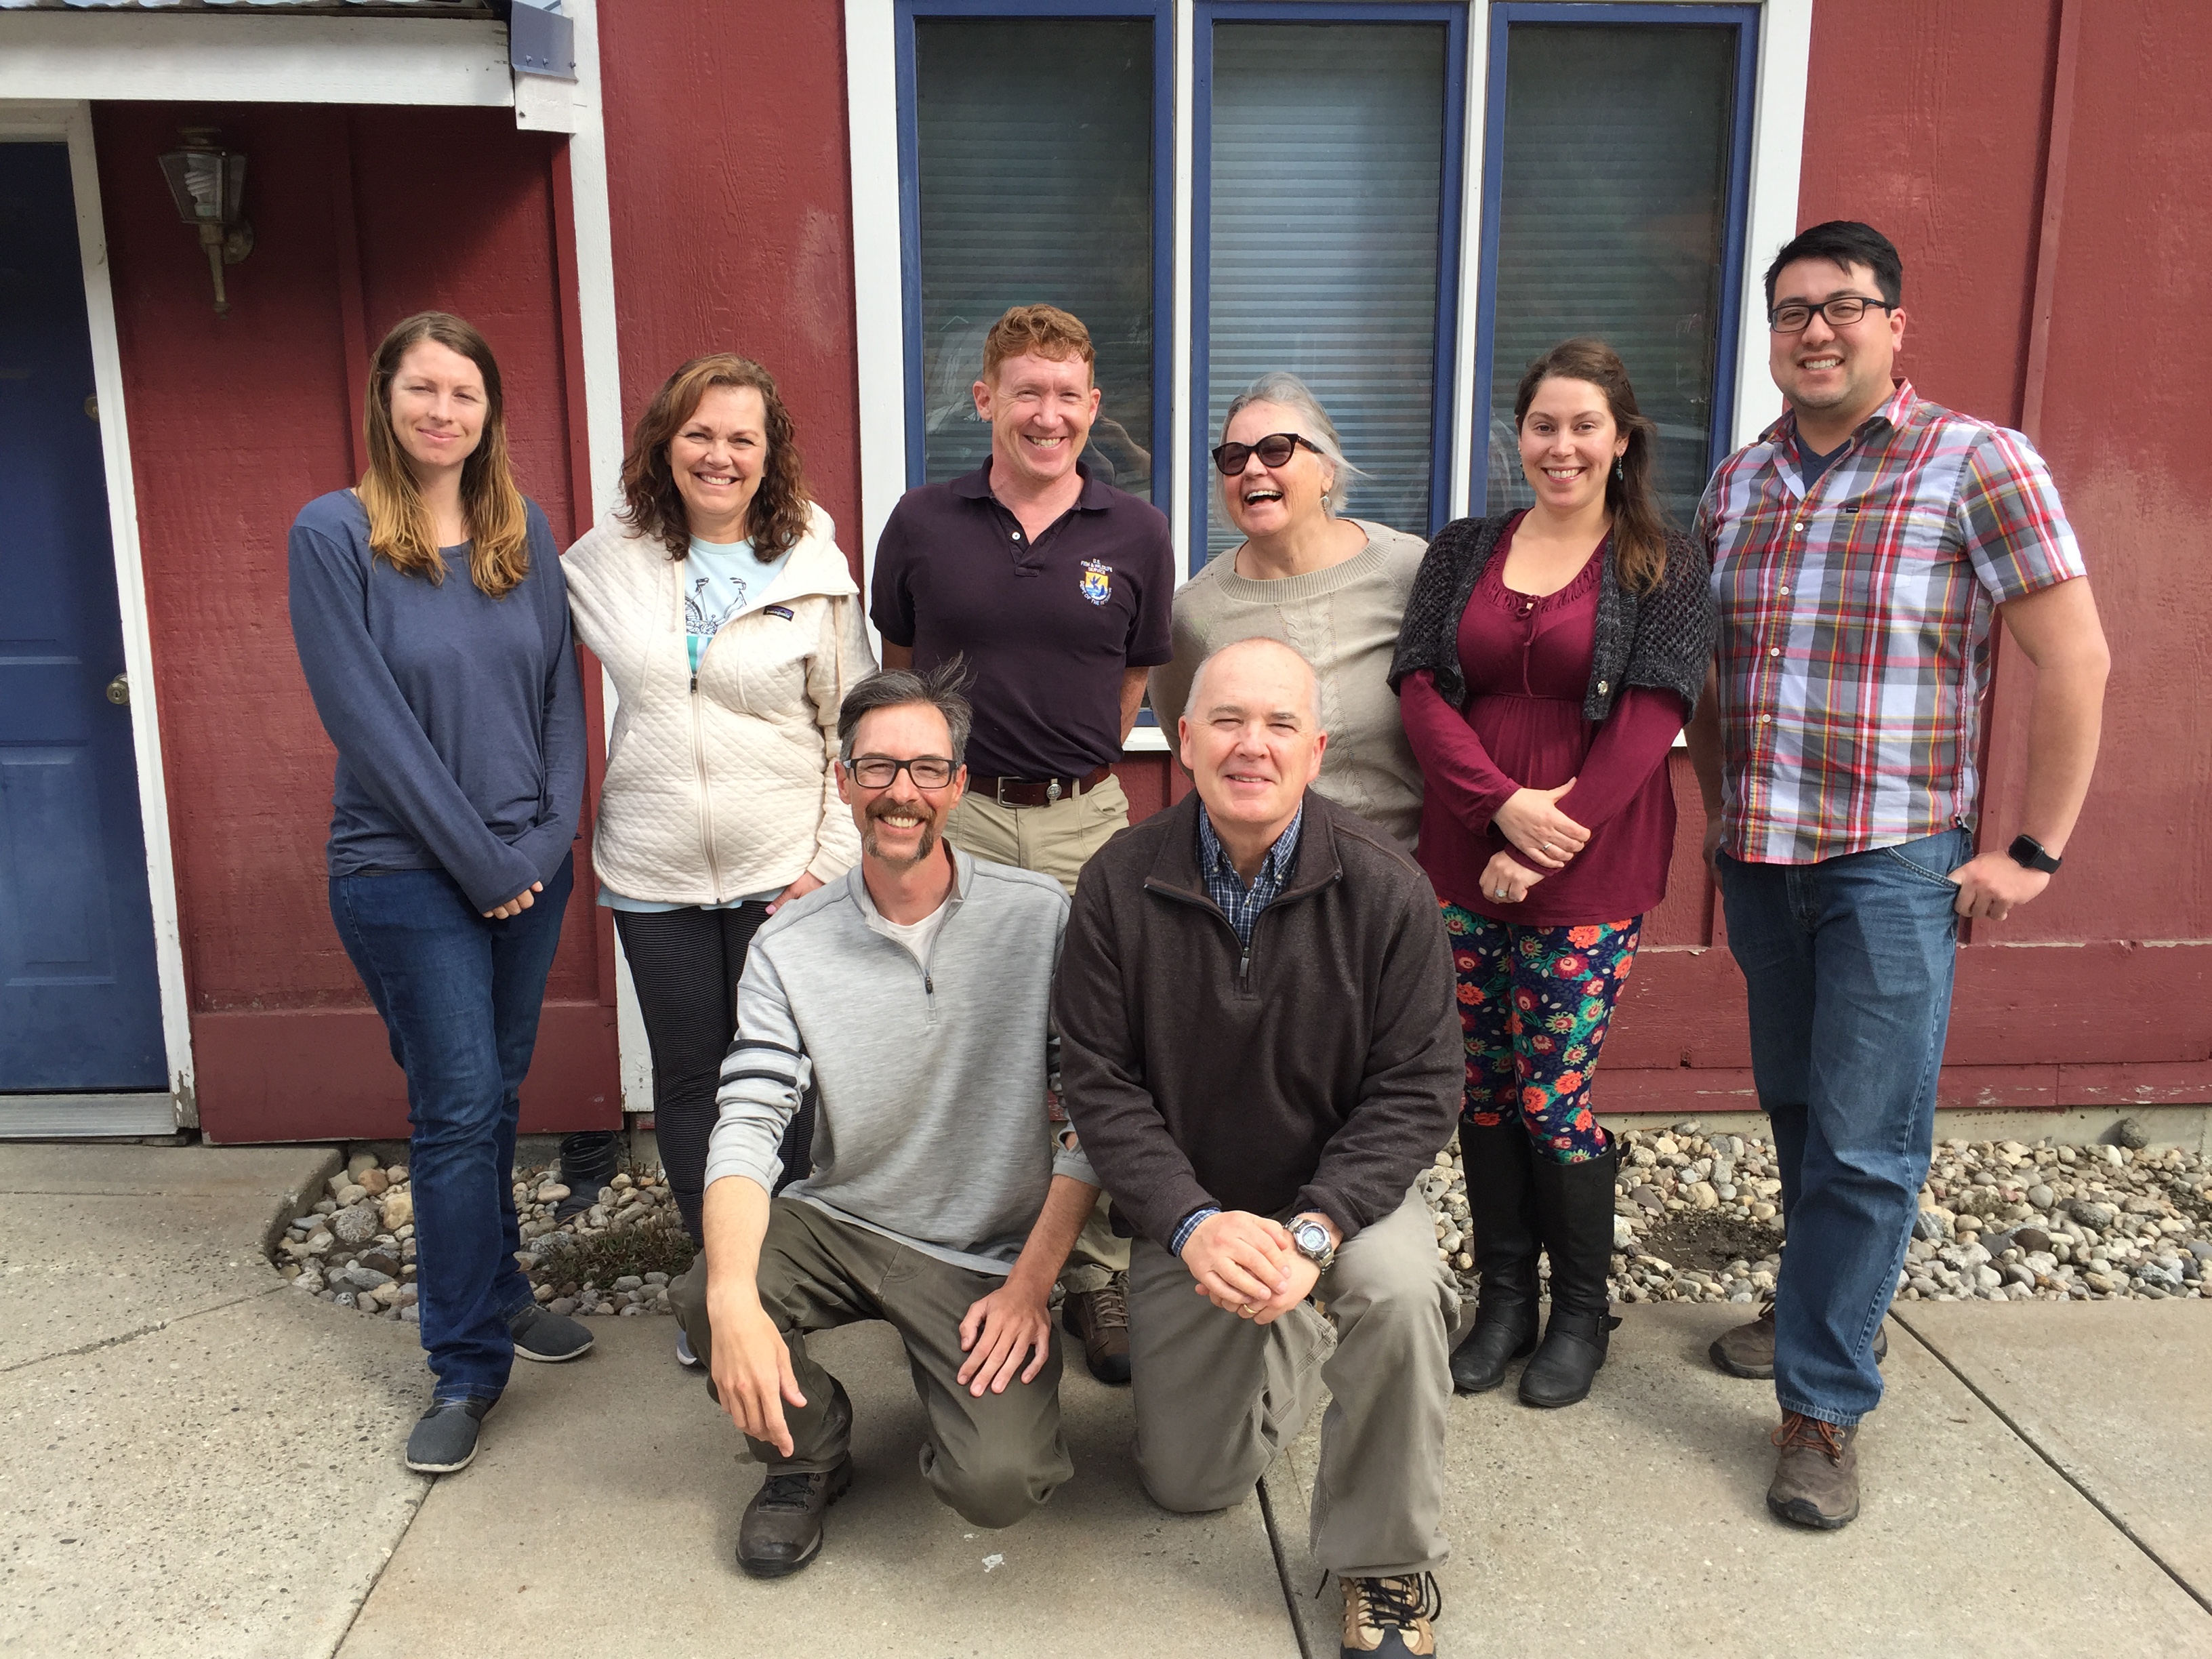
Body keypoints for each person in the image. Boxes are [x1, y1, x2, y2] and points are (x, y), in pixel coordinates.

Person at [1686, 221, 2108, 1529]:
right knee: (1797, 1110)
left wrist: (2031, 849)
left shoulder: (1974, 463)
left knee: (1867, 1139)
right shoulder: (1737, 483)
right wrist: (1715, 808)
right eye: (1790, 311)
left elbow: (2073, 657)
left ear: (1892, 323)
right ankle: (1818, 1301)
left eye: (1842, 306)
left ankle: (1821, 1401)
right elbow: (1711, 672)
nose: (1813, 331)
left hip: (1890, 860)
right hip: (1762, 856)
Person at [1054, 636, 1461, 1659]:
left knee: (1400, 1295)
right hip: (1196, 1210)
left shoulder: (1387, 888)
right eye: (1228, 721)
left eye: (1281, 724)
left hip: (1343, 1201)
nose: (1253, 745)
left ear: (1316, 751)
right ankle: (1291, 1337)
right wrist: (1189, 1223)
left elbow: (1420, 1089)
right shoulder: (1118, 883)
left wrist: (1317, 1232)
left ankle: (1383, 1561)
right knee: (1189, 1485)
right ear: (1184, 739)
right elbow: (1100, 1083)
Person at [674, 664, 1100, 1578]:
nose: (901, 792)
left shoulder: (1040, 919)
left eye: (926, 769)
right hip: (845, 1218)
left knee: (999, 1483)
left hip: (984, 1252)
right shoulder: (788, 945)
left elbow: (1091, 1119)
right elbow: (748, 1120)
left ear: (958, 784)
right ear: (844, 782)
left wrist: (1033, 1283)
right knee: (714, 1289)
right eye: (877, 768)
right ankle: (807, 1454)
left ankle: (957, 1388)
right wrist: (731, 1301)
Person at [288, 311, 594, 1475]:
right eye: (422, 388)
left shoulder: (525, 531)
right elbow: (367, 723)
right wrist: (485, 862)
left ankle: (501, 1288)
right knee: (458, 1105)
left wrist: (548, 840)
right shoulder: (335, 534)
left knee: (495, 1090)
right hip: (405, 874)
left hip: (528, 869)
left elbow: (561, 698)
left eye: (464, 393)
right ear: (385, 398)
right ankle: (465, 1364)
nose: (442, 411)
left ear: (488, 412)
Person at [1389, 338, 1715, 1409]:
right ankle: (1505, 1303)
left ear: (1622, 441)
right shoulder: (1464, 549)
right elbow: (1421, 688)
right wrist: (1499, 809)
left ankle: (1579, 1312)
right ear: (1519, 435)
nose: (1561, 446)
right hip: (1464, 854)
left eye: (1584, 426)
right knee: (1481, 1086)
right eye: (1543, 425)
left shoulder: (1663, 563)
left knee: (1552, 1092)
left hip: (1587, 864)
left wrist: (1544, 838)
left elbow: (1652, 717)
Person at [871, 302, 1176, 1385]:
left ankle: (1092, 1272)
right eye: (1027, 392)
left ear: (1093, 406)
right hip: (958, 815)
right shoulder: (922, 520)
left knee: (1096, 1043)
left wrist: (1070, 765)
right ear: (985, 399)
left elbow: (1131, 679)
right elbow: (901, 669)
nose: (1048, 416)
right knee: (961, 1036)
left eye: (1068, 396)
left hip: (1085, 819)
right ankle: (970, 1254)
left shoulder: (1136, 531)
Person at [562, 353, 874, 1368]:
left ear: (770, 454)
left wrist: (827, 863)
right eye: (699, 433)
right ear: (666, 442)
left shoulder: (813, 568)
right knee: (692, 1081)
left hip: (787, 871)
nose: (720, 455)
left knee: (781, 1081)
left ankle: (782, 1283)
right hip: (653, 874)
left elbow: (853, 728)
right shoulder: (606, 562)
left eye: (743, 438)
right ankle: (718, 1290)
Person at [1149, 372, 1428, 848]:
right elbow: (1193, 752)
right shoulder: (1194, 615)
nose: (1253, 469)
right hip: (1267, 875)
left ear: (1327, 470)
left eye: (1276, 449)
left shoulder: (1409, 571)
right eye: (1234, 457)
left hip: (1408, 869)